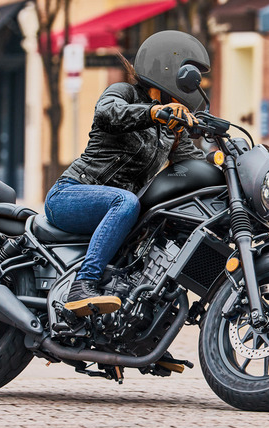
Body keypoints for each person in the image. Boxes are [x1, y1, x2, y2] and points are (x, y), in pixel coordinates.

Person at [45, 30, 210, 316]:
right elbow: (108, 114)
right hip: (70, 194)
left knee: (163, 227)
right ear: (169, 69)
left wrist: (234, 168)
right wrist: (154, 112)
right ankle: (82, 285)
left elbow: (194, 165)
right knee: (126, 202)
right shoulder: (124, 92)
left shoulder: (172, 129)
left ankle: (145, 329)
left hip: (119, 208)